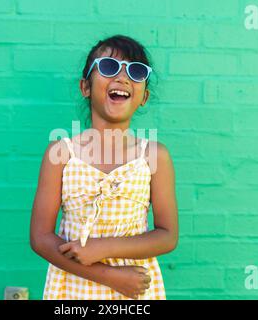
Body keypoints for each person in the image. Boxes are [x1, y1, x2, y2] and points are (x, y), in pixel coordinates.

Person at [30, 35, 178, 300]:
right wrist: (111, 277)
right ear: (85, 87)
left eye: (136, 71)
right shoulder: (61, 154)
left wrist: (104, 247)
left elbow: (167, 236)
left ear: (144, 96)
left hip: (136, 287)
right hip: (72, 288)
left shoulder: (154, 155)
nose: (122, 78)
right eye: (109, 67)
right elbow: (41, 238)